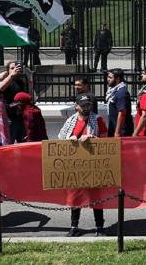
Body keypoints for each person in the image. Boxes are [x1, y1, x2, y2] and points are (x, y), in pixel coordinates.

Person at [58, 93, 108, 237]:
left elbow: (106, 142)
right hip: (75, 166)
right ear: (76, 106)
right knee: (75, 196)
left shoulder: (98, 120)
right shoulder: (70, 122)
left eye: (88, 105)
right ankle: (74, 227)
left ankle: (99, 227)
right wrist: (71, 139)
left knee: (96, 197)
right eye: (83, 105)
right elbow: (60, 141)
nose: (86, 107)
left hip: (93, 165)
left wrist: (93, 138)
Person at [0, 61, 31, 143]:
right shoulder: (6, 80)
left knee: (24, 142)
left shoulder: (22, 81)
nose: (15, 70)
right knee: (9, 142)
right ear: (8, 70)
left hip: (21, 117)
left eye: (17, 68)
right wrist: (11, 75)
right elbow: (1, 87)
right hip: (10, 118)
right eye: (12, 68)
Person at [106, 68, 134, 137]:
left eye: (110, 77)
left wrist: (117, 132)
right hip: (114, 128)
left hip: (122, 132)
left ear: (117, 79)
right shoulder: (114, 91)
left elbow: (122, 113)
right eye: (108, 77)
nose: (108, 79)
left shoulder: (121, 93)